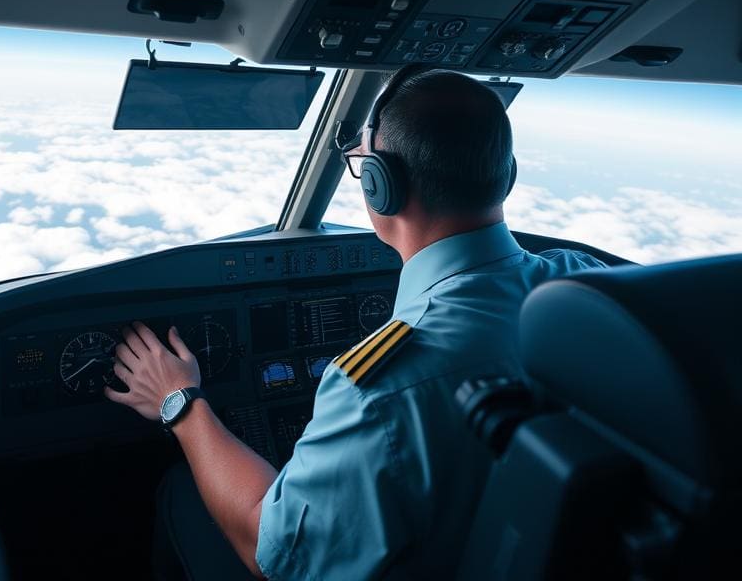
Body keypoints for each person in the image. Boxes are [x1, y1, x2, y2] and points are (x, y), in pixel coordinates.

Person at [105, 67, 606, 580]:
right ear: (508, 175)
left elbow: (267, 550)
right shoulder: (592, 287)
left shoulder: (379, 389)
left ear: (379, 185)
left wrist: (180, 401)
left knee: (181, 492)